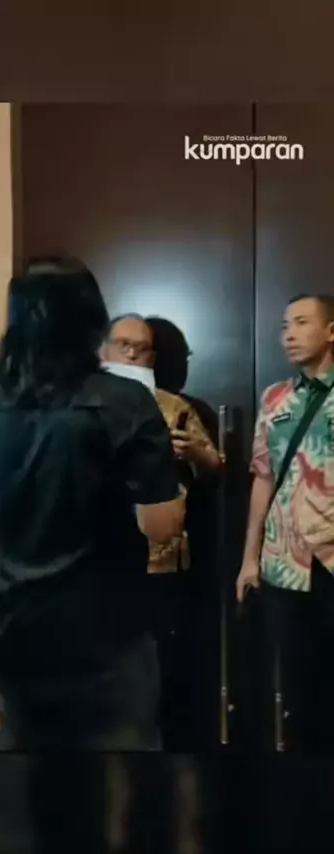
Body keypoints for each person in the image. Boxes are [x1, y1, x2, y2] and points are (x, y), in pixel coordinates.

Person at [0, 257, 184, 751]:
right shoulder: (126, 401)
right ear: (92, 322)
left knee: (28, 769)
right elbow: (161, 524)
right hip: (106, 632)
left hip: (15, 625)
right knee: (118, 771)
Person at [236, 293, 334, 751]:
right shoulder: (275, 397)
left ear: (331, 331)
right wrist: (249, 559)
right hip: (285, 564)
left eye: (301, 323)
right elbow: (263, 477)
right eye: (284, 326)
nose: (289, 335)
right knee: (298, 688)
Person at [103, 313, 221, 574]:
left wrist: (195, 453)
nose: (132, 354)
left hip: (161, 552)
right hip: (97, 549)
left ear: (152, 358)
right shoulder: (81, 403)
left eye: (141, 348)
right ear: (104, 350)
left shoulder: (175, 406)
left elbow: (215, 465)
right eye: (123, 344)